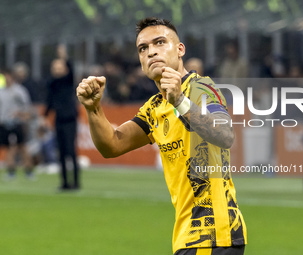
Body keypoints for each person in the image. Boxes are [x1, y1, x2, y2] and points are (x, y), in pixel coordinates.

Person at [76, 17, 246, 255]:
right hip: (188, 237)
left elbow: (225, 135)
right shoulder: (154, 107)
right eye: (143, 48)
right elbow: (112, 145)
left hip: (215, 234)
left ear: (180, 49)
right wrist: (93, 108)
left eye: (159, 43)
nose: (151, 52)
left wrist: (179, 101)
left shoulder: (201, 88)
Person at [44, 45, 80, 191]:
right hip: (58, 119)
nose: (57, 70)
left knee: (71, 151)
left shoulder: (67, 81)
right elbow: (49, 102)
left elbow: (71, 69)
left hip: (70, 119)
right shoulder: (52, 84)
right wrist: (44, 117)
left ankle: (76, 182)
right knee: (62, 152)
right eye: (55, 67)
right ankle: (65, 182)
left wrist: (63, 57)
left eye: (60, 67)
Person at [0, 68, 34, 179]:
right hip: (5, 123)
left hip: (18, 123)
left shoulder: (19, 91)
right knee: (9, 147)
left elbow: (27, 107)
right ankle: (11, 171)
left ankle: (29, 170)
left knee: (22, 146)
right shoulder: (1, 91)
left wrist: (21, 114)